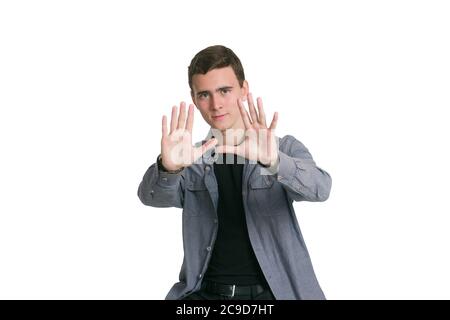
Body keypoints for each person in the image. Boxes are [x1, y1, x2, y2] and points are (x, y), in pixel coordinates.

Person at [137, 45, 332, 300]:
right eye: (205, 94)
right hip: (203, 295)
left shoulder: (281, 148)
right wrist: (168, 168)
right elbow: (151, 197)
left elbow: (321, 188)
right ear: (194, 98)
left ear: (244, 89)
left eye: (225, 91)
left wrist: (273, 161)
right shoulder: (190, 158)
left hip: (273, 295)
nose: (216, 104)